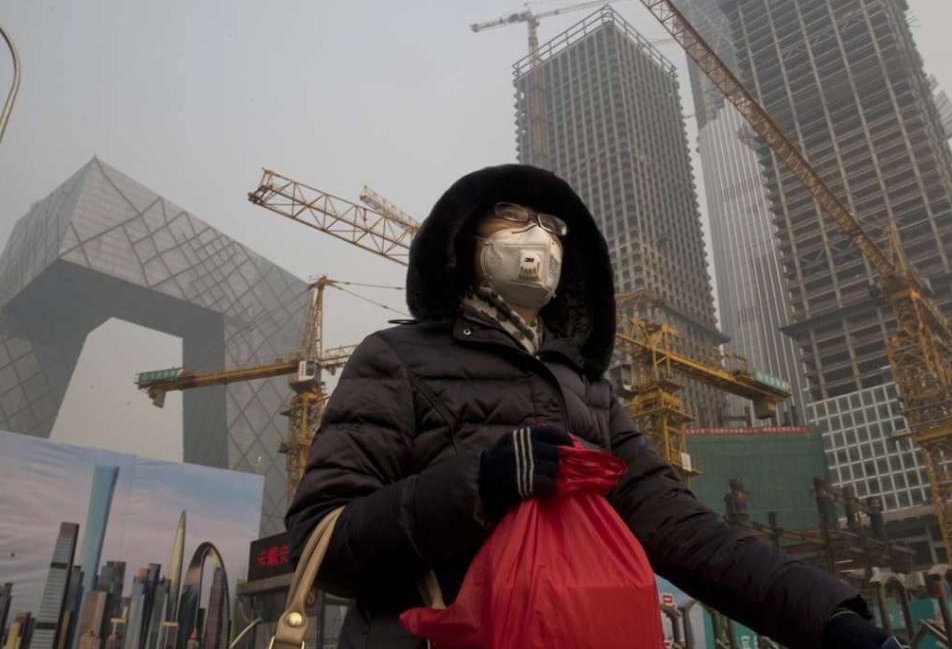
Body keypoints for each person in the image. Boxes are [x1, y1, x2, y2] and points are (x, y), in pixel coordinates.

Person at [286, 164, 902, 649]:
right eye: (511, 215)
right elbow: (320, 540)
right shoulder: (396, 357)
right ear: (465, 238)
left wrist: (828, 617)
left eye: (551, 226)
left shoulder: (589, 390)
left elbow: (683, 529)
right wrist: (480, 483)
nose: (537, 235)